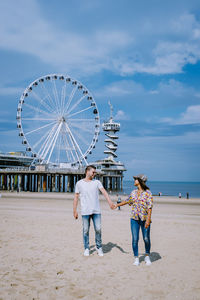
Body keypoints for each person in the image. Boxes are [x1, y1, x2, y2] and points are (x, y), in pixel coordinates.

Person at [73, 165, 115, 257]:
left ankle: (98, 247)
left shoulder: (97, 182)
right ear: (87, 172)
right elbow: (76, 197)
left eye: (95, 172)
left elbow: (104, 192)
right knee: (85, 230)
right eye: (93, 172)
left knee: (98, 229)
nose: (94, 174)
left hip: (96, 211)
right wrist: (74, 211)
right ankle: (87, 248)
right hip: (85, 211)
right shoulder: (79, 183)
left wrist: (110, 202)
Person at [115, 174, 153, 266]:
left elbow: (150, 207)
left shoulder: (148, 193)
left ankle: (147, 255)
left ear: (140, 181)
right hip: (134, 219)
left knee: (146, 238)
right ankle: (136, 258)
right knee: (135, 239)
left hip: (144, 219)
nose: (134, 180)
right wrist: (116, 205)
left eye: (136, 179)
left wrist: (148, 220)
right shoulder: (133, 192)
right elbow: (127, 201)